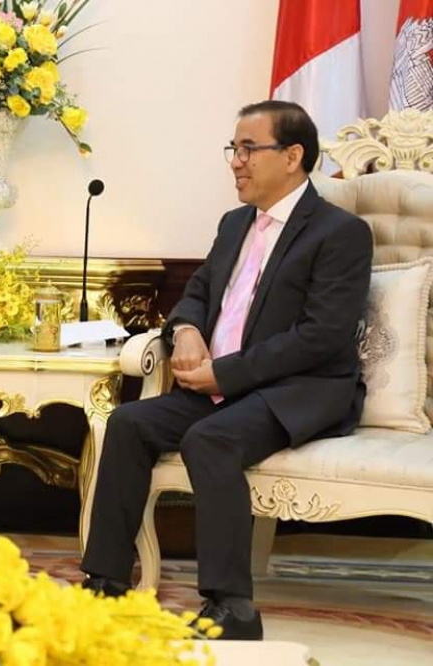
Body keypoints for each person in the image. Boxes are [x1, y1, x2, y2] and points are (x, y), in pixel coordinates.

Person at [79, 100, 373, 640]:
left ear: (292, 156)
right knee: (129, 423)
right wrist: (187, 331)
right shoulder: (234, 223)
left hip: (298, 389)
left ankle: (232, 608)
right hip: (222, 386)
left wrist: (228, 374)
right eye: (233, 149)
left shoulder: (340, 233)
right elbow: (196, 293)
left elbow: (322, 336)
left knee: (210, 440)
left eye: (248, 149)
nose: (236, 161)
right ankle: (106, 583)